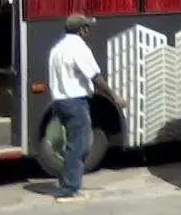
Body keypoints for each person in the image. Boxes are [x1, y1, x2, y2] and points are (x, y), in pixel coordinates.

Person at [47, 13, 125, 203]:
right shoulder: (78, 48)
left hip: (60, 102)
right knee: (79, 146)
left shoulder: (57, 49)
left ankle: (69, 184)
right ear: (81, 30)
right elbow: (94, 76)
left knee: (73, 145)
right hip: (75, 103)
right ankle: (68, 190)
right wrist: (114, 96)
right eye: (87, 27)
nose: (89, 30)